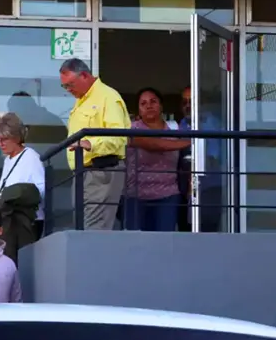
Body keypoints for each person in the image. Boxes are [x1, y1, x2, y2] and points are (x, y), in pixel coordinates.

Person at [59, 58, 131, 230]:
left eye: (70, 84)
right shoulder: (82, 99)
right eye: (64, 87)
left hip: (102, 170)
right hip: (82, 172)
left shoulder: (107, 97)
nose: (68, 90)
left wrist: (90, 144)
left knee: (94, 230)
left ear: (84, 75)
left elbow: (120, 137)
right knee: (82, 229)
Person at [124, 88, 190, 231]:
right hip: (136, 197)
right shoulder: (131, 129)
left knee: (164, 242)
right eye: (143, 103)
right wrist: (192, 142)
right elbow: (153, 144)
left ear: (161, 106)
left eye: (153, 101)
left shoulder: (175, 129)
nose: (149, 106)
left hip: (168, 195)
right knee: (137, 244)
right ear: (139, 110)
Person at [178, 86, 225, 232]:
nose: (187, 105)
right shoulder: (184, 124)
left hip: (209, 188)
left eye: (191, 101)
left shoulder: (210, 123)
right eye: (184, 102)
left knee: (207, 233)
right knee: (186, 231)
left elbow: (211, 158)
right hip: (187, 188)